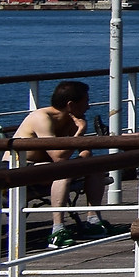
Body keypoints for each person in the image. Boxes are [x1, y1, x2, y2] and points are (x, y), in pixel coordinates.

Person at [16, 81, 103, 244]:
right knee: (63, 171)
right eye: (85, 102)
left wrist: (83, 155)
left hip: (45, 168)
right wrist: (80, 133)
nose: (88, 107)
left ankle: (93, 220)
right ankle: (58, 230)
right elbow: (58, 157)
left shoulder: (71, 120)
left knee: (95, 167)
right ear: (70, 105)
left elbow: (84, 151)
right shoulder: (42, 118)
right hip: (19, 169)